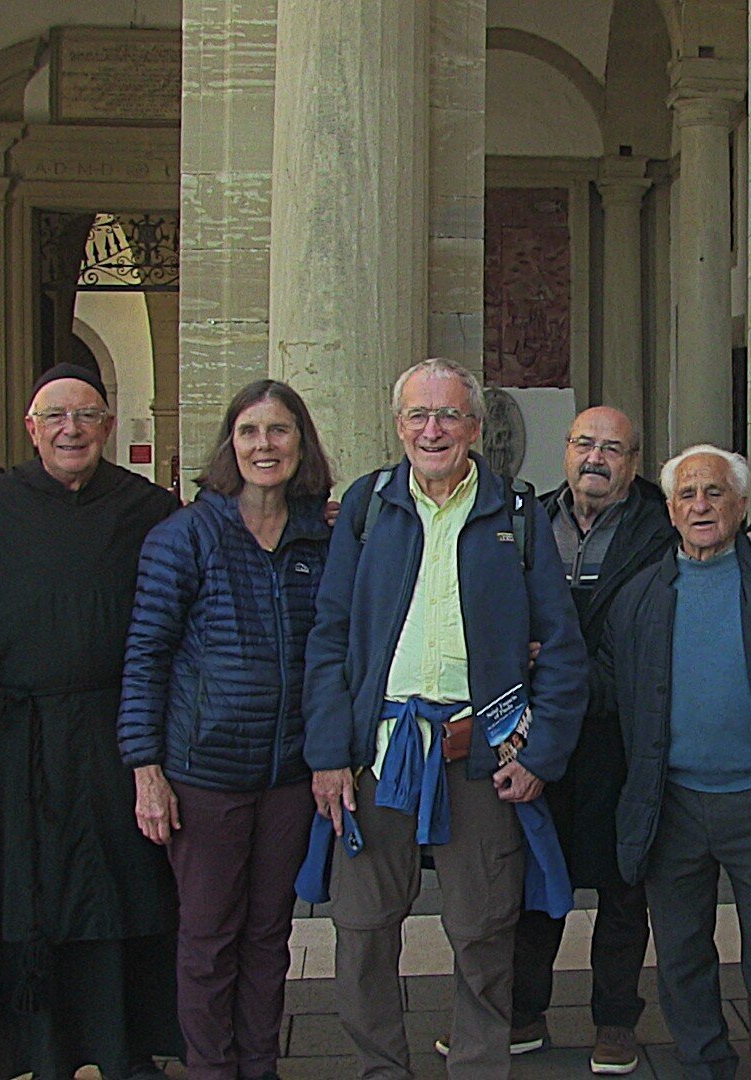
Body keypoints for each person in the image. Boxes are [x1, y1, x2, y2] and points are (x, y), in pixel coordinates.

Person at [302, 358, 587, 1079]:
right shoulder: (366, 510)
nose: (434, 430)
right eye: (419, 416)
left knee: (484, 932)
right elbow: (330, 635)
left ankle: (479, 1067)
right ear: (399, 426)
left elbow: (561, 646)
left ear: (474, 427)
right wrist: (329, 753)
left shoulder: (514, 516)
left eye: (450, 415)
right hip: (379, 755)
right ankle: (380, 1070)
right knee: (363, 932)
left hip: (478, 756)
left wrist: (540, 753)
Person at [502, 406, 751, 1074]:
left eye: (613, 448)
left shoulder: (656, 526)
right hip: (547, 720)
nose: (595, 458)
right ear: (566, 449)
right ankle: (523, 1010)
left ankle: (617, 1020)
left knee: (625, 886)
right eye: (584, 444)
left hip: (628, 740)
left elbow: (732, 541)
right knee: (534, 876)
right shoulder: (527, 520)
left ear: (634, 464)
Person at [0, 363, 181, 1080]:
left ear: (108, 426)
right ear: (31, 429)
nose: (71, 429)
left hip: (117, 727)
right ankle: (41, 1049)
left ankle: (125, 1047)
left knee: (124, 893)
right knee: (31, 897)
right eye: (55, 417)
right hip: (20, 738)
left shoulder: (149, 509)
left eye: (86, 416)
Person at [117, 379, 335, 1080]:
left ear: (300, 443)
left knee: (270, 934)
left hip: (288, 774)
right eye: (249, 432)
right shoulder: (185, 536)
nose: (264, 446)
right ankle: (213, 1069)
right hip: (203, 773)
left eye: (278, 431)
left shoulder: (319, 538)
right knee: (209, 937)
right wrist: (145, 768)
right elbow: (145, 656)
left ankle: (259, 1064)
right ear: (229, 444)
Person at [603, 445, 751, 1080]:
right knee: (679, 953)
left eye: (716, 493)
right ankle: (703, 1064)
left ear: (744, 507)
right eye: (688, 495)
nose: (702, 505)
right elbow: (608, 685)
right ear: (670, 510)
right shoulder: (640, 595)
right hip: (671, 803)